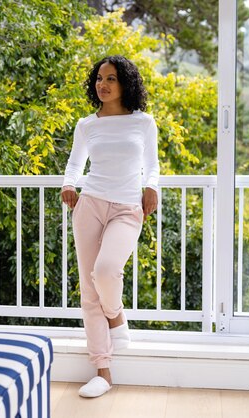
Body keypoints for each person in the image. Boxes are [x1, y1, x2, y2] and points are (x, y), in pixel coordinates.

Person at [61, 55, 160, 398]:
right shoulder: (87, 124)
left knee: (105, 272)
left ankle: (116, 317)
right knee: (89, 293)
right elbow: (75, 162)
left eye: (111, 79)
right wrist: (68, 184)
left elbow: (153, 165)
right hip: (89, 204)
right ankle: (102, 371)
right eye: (99, 79)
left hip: (127, 207)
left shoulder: (143, 122)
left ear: (126, 84)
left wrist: (153, 187)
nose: (102, 85)